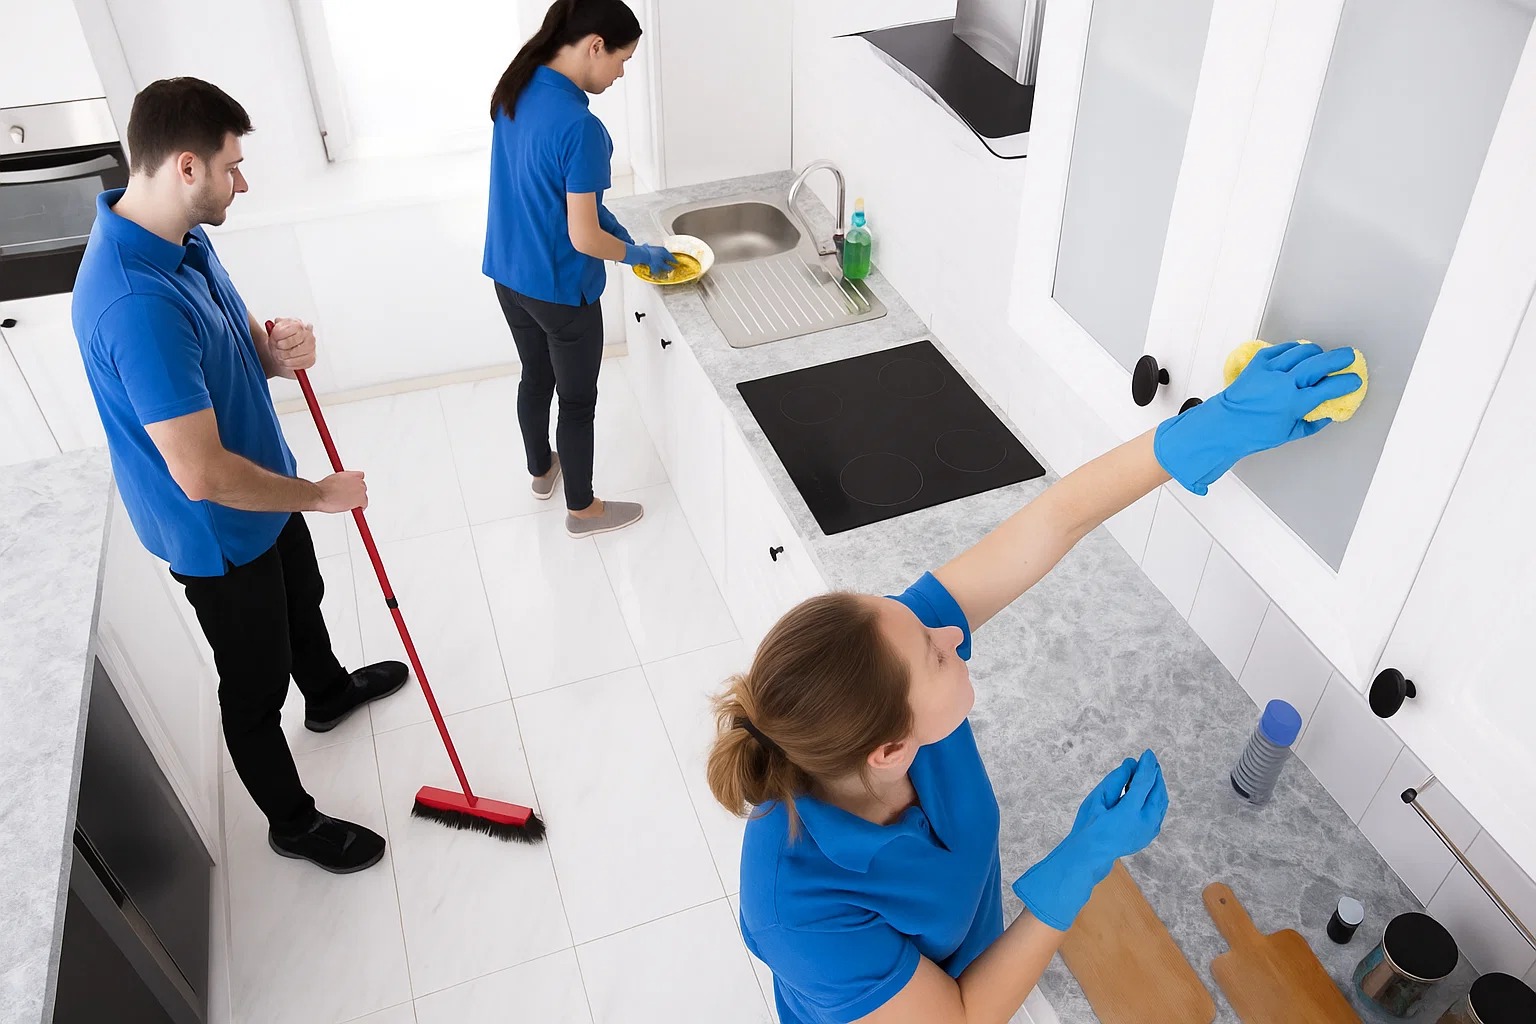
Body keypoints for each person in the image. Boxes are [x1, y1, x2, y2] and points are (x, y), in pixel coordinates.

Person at [707, 343, 1364, 1023]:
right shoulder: (796, 911)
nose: (951, 631)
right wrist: (1081, 861)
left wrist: (1211, 429)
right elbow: (961, 1016)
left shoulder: (884, 678)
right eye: (936, 655)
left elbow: (1057, 519)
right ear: (891, 750)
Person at [73, 78, 409, 874]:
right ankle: (292, 823)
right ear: (186, 166)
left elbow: (237, 346)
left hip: (261, 485)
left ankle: (327, 694)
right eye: (233, 166)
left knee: (302, 596)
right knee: (254, 685)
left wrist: (277, 351)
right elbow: (202, 475)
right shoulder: (135, 303)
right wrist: (318, 495)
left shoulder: (181, 236)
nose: (243, 182)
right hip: (218, 529)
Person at [483, 0, 674, 538]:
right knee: (577, 402)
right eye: (622, 60)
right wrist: (638, 256)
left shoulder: (517, 87)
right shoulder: (581, 127)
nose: (620, 74)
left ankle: (541, 471)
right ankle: (583, 510)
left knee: (534, 375)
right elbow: (583, 235)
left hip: (509, 274)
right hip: (561, 291)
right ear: (596, 46)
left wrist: (623, 235)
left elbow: (560, 198)